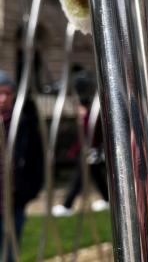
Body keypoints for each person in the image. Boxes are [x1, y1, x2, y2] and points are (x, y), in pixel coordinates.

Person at [52, 71, 108, 217]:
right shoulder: (89, 118)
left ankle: (67, 206)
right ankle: (107, 199)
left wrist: (74, 151)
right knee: (96, 177)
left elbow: (86, 138)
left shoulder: (88, 119)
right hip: (91, 152)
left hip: (89, 152)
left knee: (79, 180)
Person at [0, 70, 44, 251]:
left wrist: (28, 192)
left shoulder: (25, 122)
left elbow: (37, 159)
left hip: (14, 201)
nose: (3, 98)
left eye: (7, 93)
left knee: (10, 252)